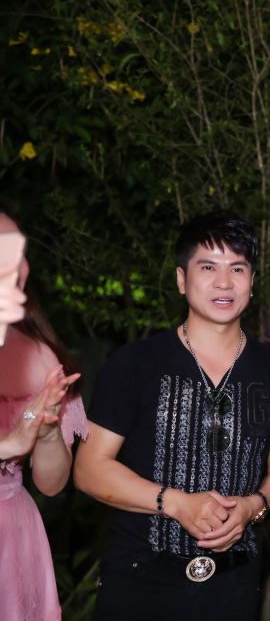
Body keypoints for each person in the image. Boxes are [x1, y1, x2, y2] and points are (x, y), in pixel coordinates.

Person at [74, 210, 270, 620]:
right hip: (140, 578)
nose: (224, 282)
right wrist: (175, 503)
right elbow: (89, 469)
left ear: (252, 281)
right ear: (182, 279)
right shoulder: (135, 363)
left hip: (235, 583)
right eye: (208, 267)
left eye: (237, 268)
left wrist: (254, 505)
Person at [0, 210, 87, 621]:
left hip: (11, 536)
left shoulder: (37, 357)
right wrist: (8, 444)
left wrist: (47, 432)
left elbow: (51, 485)